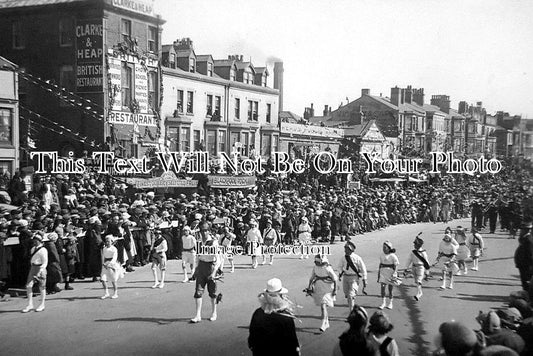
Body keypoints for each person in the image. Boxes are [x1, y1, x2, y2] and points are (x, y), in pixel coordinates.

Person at [248, 278, 300, 356]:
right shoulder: (285, 317)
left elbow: (252, 338)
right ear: (281, 296)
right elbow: (291, 342)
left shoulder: (258, 313)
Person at [190, 222, 222, 323]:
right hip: (202, 267)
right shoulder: (199, 242)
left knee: (212, 292)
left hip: (211, 267)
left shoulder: (213, 242)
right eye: (202, 230)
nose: (204, 232)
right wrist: (195, 269)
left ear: (209, 231)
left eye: (206, 230)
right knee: (198, 292)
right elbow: (197, 257)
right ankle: (198, 315)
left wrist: (214, 272)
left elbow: (218, 259)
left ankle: (214, 312)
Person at [306, 254, 338, 332]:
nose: (316, 263)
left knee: (323, 305)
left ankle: (323, 323)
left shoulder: (328, 268)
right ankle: (326, 322)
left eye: (317, 261)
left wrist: (335, 290)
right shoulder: (315, 267)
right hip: (319, 287)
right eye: (315, 261)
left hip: (327, 288)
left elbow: (335, 279)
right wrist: (309, 287)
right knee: (322, 305)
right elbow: (312, 278)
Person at [338, 241, 368, 312]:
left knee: (351, 295)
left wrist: (365, 279)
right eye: (345, 248)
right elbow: (339, 267)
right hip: (345, 277)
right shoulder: (343, 258)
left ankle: (351, 313)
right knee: (347, 295)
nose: (345, 250)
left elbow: (363, 269)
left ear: (351, 249)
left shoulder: (357, 258)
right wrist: (340, 272)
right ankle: (351, 307)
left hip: (354, 278)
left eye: (347, 249)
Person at [22, 233, 48, 313]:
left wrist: (41, 270)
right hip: (33, 267)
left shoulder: (43, 250)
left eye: (37, 240)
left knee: (42, 286)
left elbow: (45, 262)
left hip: (40, 268)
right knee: (29, 286)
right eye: (34, 240)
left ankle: (42, 304)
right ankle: (30, 304)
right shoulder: (33, 249)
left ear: (40, 241)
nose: (35, 242)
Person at [404, 234, 430, 301]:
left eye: (415, 244)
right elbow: (409, 260)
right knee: (416, 281)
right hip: (414, 267)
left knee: (419, 281)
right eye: (414, 244)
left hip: (421, 267)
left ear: (419, 245)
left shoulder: (423, 253)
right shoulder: (413, 252)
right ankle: (420, 292)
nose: (414, 245)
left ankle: (419, 294)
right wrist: (406, 268)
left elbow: (426, 262)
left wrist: (427, 271)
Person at [377, 241, 400, 310]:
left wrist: (394, 274)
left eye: (385, 247)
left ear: (389, 248)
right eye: (383, 247)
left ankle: (390, 303)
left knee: (390, 289)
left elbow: (396, 266)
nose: (383, 249)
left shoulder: (393, 256)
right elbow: (380, 265)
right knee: (382, 288)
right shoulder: (381, 255)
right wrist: (379, 274)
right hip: (383, 273)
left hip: (390, 273)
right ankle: (383, 303)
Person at [100, 235, 122, 299]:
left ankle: (115, 293)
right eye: (106, 241)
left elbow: (114, 258)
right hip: (105, 265)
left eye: (108, 241)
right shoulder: (104, 248)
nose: (107, 243)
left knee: (113, 280)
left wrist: (109, 264)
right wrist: (103, 264)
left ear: (112, 242)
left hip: (112, 265)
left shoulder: (114, 249)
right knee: (103, 279)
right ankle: (106, 293)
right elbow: (103, 256)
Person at [514, 221, 533, 291]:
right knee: (525, 283)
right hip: (523, 265)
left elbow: (530, 254)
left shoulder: (528, 239)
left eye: (522, 229)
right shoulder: (525, 238)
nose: (521, 231)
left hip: (526, 266)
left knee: (526, 283)